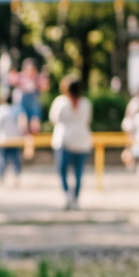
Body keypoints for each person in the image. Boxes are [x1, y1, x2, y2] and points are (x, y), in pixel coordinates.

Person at [49, 77, 94, 210]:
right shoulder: (85, 103)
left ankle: (68, 195)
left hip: (64, 140)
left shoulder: (60, 102)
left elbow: (53, 119)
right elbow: (88, 119)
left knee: (62, 171)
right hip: (82, 140)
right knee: (79, 172)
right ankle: (76, 197)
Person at [0, 91, 26, 184]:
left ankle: (1, 177)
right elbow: (22, 125)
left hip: (3, 139)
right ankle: (17, 176)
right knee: (16, 158)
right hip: (15, 139)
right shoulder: (17, 109)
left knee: (1, 159)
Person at [15, 58, 46, 136]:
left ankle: (34, 135)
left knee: (35, 122)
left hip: (33, 102)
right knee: (22, 121)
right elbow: (12, 81)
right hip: (22, 102)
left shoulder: (38, 78)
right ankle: (24, 134)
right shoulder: (20, 76)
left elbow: (44, 88)